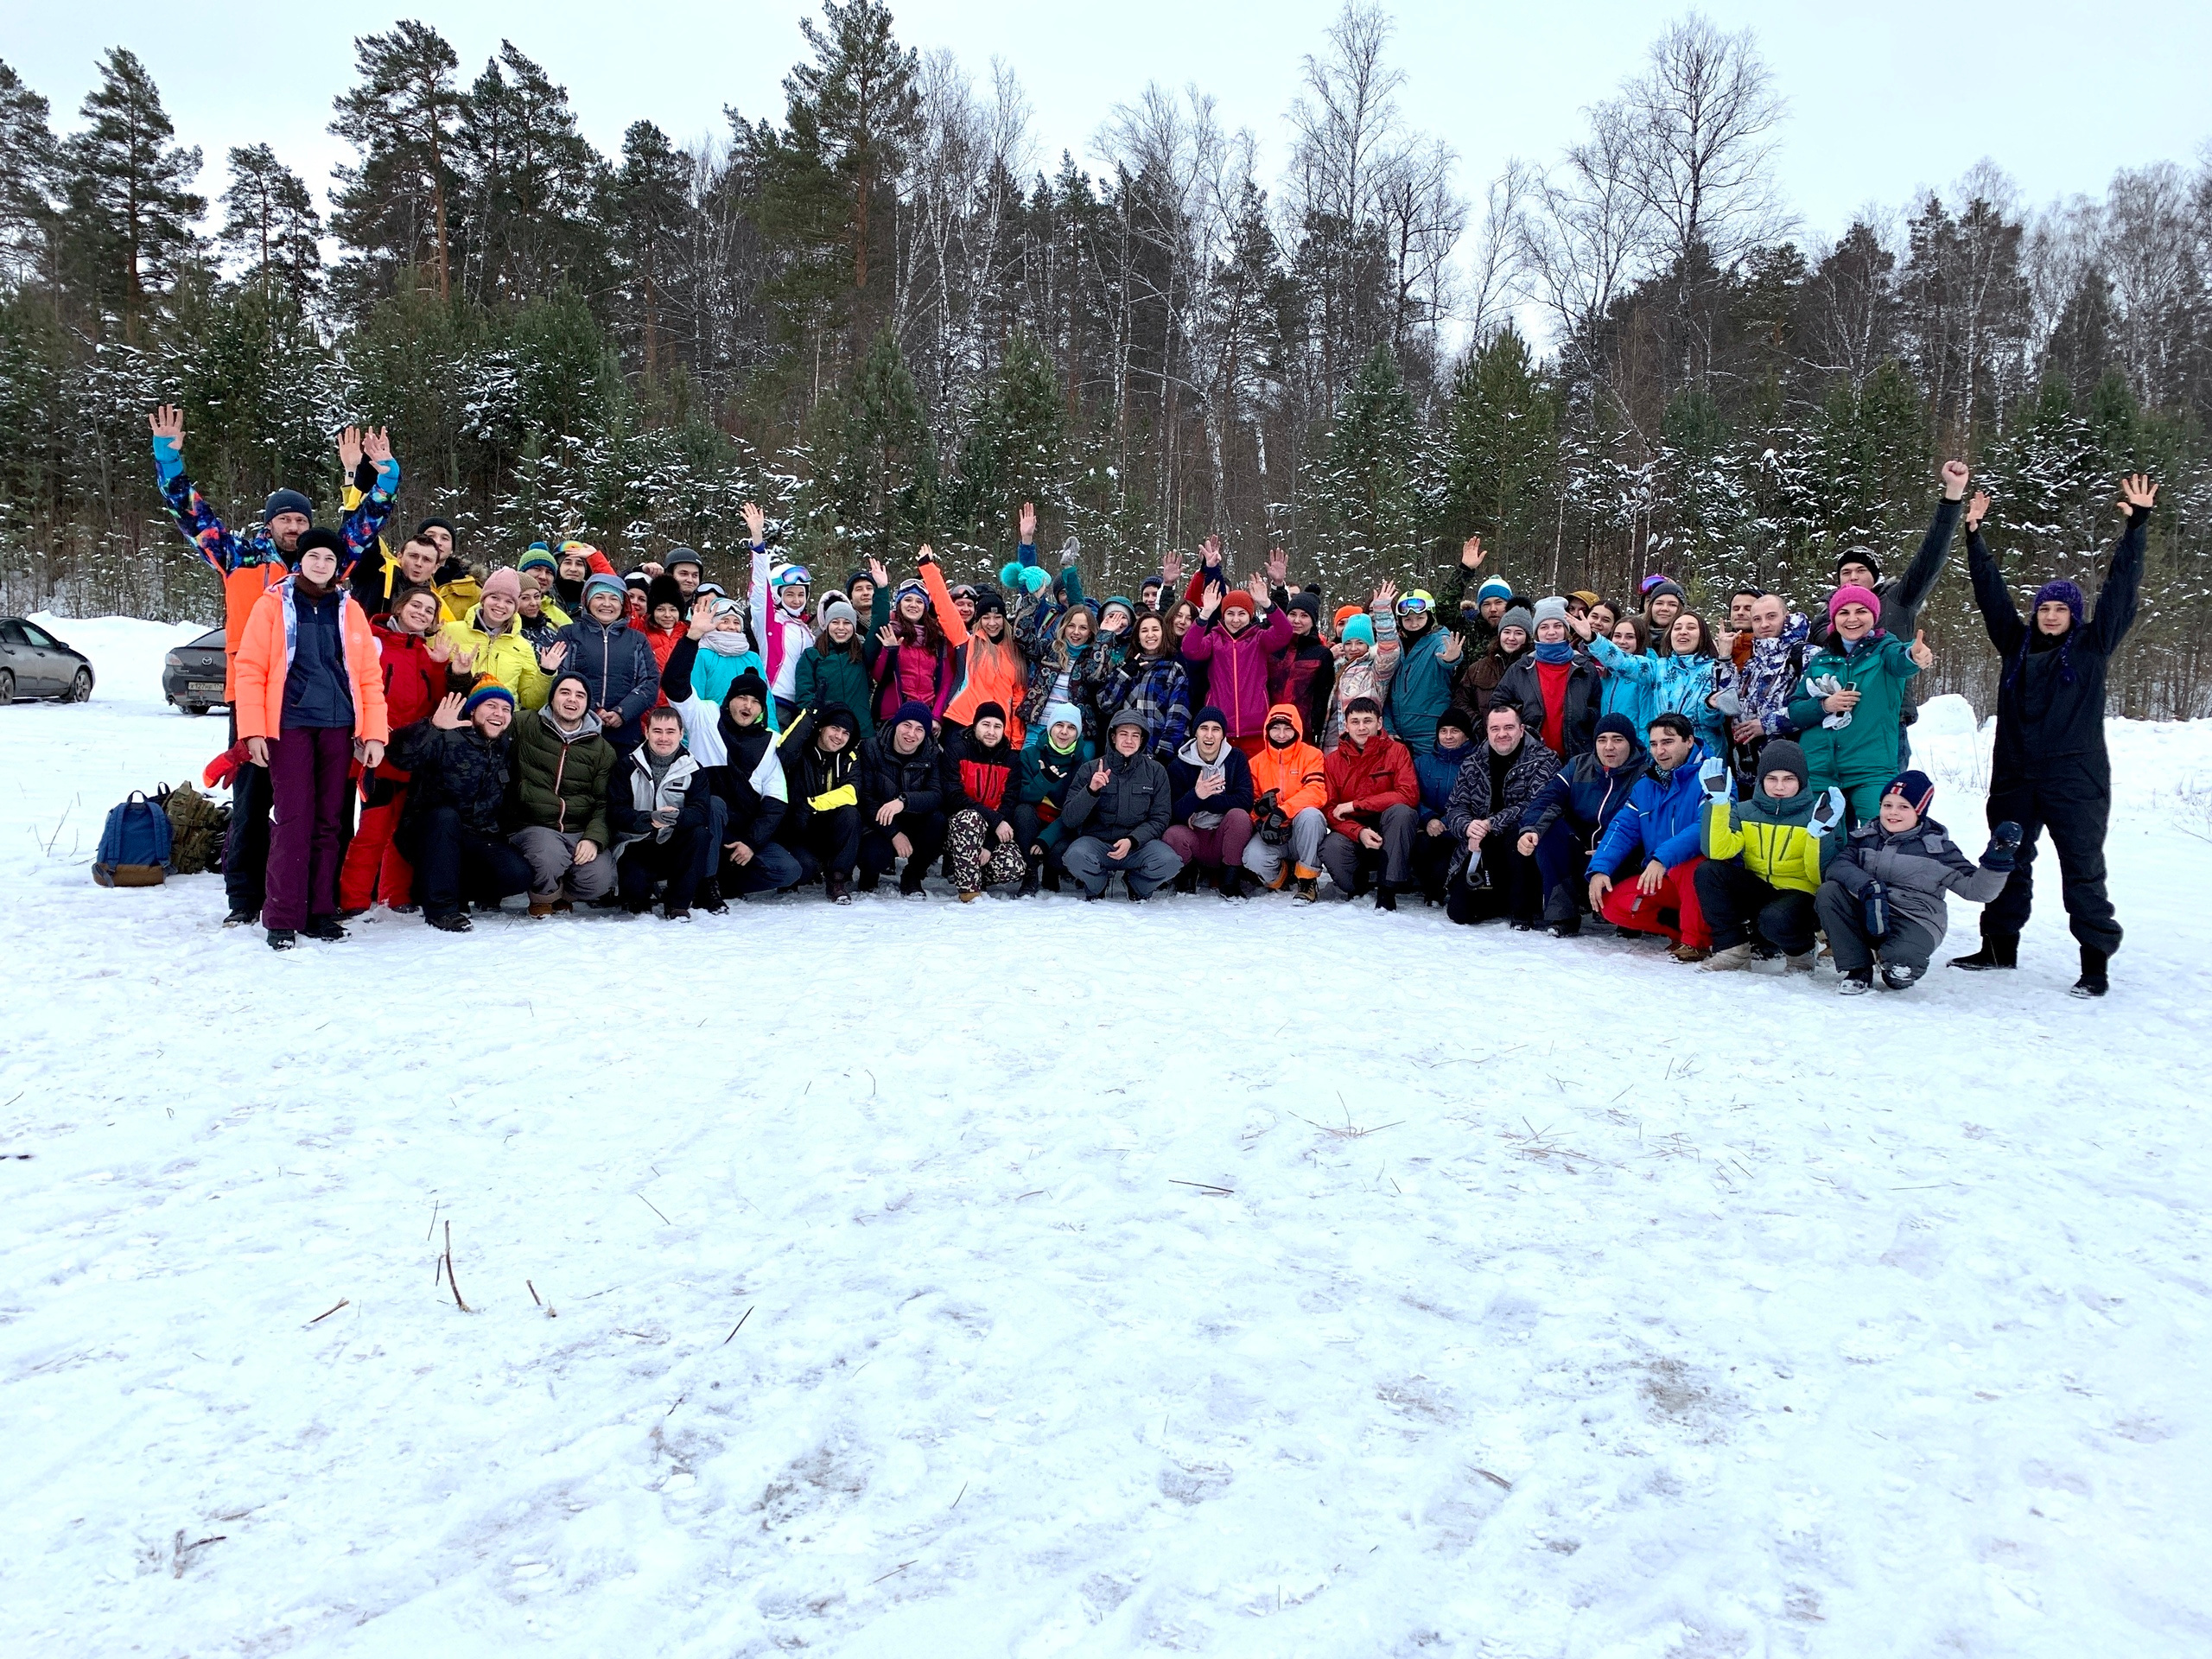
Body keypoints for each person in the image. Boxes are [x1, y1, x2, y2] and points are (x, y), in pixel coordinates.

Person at [149, 405, 399, 928]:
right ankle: (245, 899)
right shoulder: (238, 556)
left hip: (322, 707)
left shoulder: (326, 565)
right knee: (253, 799)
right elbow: (191, 515)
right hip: (255, 698)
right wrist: (170, 460)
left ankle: (317, 898)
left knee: (324, 808)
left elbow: (363, 527)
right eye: (285, 519)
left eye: (301, 519)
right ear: (270, 524)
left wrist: (383, 478)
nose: (294, 527)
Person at [1953, 475, 2154, 996]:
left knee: (2083, 869)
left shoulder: (2092, 647)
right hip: (2017, 774)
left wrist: (2136, 526)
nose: (2050, 615)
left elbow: (2121, 594)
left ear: (2075, 615)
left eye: (2060, 608)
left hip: (2075, 776)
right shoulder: (2016, 646)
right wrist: (1974, 536)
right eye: (2044, 607)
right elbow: (1990, 597)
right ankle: (1998, 948)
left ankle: (2094, 964)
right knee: (2006, 859)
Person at [232, 526, 391, 950]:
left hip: (338, 726)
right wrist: (252, 730)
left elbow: (368, 676)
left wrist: (373, 733)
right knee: (293, 820)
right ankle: (282, 914)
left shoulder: (349, 609)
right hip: (290, 724)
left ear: (339, 567)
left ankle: (320, 910)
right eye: (314, 557)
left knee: (329, 822)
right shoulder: (273, 606)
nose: (322, 565)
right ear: (300, 560)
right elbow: (250, 669)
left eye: (330, 560)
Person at [1821, 772, 2021, 995]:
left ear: (1920, 811)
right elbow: (1839, 866)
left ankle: (1897, 964)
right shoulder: (1865, 837)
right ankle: (1858, 970)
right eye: (1887, 805)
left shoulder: (1939, 849)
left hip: (1915, 919)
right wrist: (1868, 885)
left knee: (1899, 970)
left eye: (1903, 807)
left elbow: (1977, 891)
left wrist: (1996, 862)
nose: (1893, 812)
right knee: (1830, 891)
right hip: (1870, 909)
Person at [338, 583, 453, 916]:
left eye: (429, 611)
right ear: (400, 608)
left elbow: (437, 705)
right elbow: (355, 689)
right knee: (372, 829)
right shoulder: (371, 642)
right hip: (378, 751)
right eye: (416, 606)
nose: (422, 613)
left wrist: (440, 665)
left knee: (403, 829)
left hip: (414, 755)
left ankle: (395, 894)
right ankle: (353, 899)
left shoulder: (425, 653)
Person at [389, 685, 532, 932]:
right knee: (445, 817)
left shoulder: (503, 747)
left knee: (518, 875)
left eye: (506, 709)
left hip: (479, 835)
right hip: (433, 833)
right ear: (473, 710)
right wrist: (431, 727)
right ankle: (441, 909)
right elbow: (399, 755)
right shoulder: (446, 734)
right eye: (491, 706)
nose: (499, 713)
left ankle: (452, 891)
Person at [1786, 587, 1933, 825]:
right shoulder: (1820, 659)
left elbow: (1902, 661)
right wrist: (1825, 705)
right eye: (1844, 612)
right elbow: (1795, 711)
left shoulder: (1885, 650)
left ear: (1874, 616)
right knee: (1821, 843)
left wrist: (1914, 656)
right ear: (1834, 618)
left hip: (1870, 768)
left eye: (1861, 611)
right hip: (1819, 769)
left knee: (1878, 835)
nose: (1852, 619)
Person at [1693, 739, 1840, 972]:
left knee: (1776, 918)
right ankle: (1734, 950)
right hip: (1760, 888)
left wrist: (1819, 834)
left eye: (1788, 779)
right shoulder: (1744, 810)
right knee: (1708, 871)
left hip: (1800, 896)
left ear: (1801, 780)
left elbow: (1818, 876)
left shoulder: (1820, 814)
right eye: (1772, 778)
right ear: (1762, 780)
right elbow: (1717, 851)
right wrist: (1718, 804)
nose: (1779, 787)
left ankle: (1801, 951)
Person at [1586, 713, 1722, 961]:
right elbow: (1623, 828)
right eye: (1654, 744)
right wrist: (1600, 868)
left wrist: (1662, 858)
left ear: (1689, 741)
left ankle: (1697, 942)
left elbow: (1706, 826)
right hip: (1666, 877)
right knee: (1613, 902)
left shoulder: (1712, 775)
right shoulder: (1647, 784)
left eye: (1668, 742)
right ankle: (1682, 931)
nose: (1659, 751)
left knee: (1690, 866)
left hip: (1707, 879)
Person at [1518, 712, 1645, 936]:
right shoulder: (1579, 766)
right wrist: (1530, 830)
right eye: (1602, 740)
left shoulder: (1644, 775)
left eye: (1618, 739)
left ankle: (1629, 918)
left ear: (1631, 743)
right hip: (1581, 853)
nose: (1609, 747)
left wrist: (1610, 853)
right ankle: (1563, 916)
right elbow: (1548, 799)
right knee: (1548, 832)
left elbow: (1645, 826)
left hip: (1623, 858)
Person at [509, 669, 619, 916]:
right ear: (552, 697)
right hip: (533, 825)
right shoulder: (525, 724)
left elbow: (603, 803)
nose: (572, 700)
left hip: (577, 829)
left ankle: (562, 895)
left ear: (587, 704)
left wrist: (593, 838)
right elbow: (488, 726)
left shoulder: (603, 750)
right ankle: (543, 898)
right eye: (565, 692)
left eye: (580, 696)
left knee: (601, 877)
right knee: (548, 855)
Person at [1442, 702, 1555, 927]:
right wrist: (1468, 827)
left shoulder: (1544, 759)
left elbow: (1536, 804)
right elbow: (1455, 806)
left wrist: (1491, 823)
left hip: (1524, 844)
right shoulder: (1473, 763)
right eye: (1495, 729)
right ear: (1487, 731)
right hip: (1483, 846)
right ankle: (1502, 900)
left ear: (1521, 729)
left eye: (1509, 728)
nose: (1502, 734)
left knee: (1517, 837)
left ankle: (1522, 911)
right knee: (1459, 913)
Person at [1061, 708, 1182, 900]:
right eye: (1123, 734)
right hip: (1098, 844)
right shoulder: (1090, 769)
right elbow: (1069, 819)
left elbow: (1160, 818)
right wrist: (1091, 790)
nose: (1129, 740)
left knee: (1170, 862)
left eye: (1135, 735)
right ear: (1113, 737)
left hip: (1137, 846)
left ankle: (1136, 884)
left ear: (1142, 740)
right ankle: (1098, 884)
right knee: (1075, 856)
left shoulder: (1156, 771)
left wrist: (1133, 840)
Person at [610, 706, 711, 919]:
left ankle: (678, 904)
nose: (663, 738)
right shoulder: (627, 766)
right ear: (646, 732)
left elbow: (701, 811)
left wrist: (678, 817)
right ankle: (638, 897)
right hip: (636, 843)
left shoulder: (694, 769)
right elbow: (615, 811)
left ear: (681, 734)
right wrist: (648, 819)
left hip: (673, 843)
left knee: (700, 834)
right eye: (657, 731)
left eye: (670, 731)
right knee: (635, 893)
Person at [1319, 696, 1419, 907]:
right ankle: (1356, 886)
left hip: (1389, 827)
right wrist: (1358, 832)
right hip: (1353, 830)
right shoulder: (1333, 761)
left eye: (1368, 721)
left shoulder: (1397, 751)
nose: (1362, 727)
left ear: (1379, 723)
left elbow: (1408, 794)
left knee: (1402, 813)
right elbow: (1330, 809)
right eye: (1355, 722)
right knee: (1331, 847)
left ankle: (1387, 890)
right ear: (1346, 725)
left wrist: (1357, 804)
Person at [925, 549, 1030, 746]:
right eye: (986, 618)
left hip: (998, 732)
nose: (992, 623)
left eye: (997, 617)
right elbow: (946, 610)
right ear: (978, 620)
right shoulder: (968, 643)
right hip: (963, 722)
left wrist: (1016, 742)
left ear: (1004, 620)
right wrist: (929, 568)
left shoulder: (1015, 653)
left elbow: (1018, 701)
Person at [1180, 574, 1294, 754]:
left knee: (1253, 780)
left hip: (1255, 727)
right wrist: (1205, 614)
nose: (1235, 620)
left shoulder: (1259, 639)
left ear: (1250, 616)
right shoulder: (1214, 639)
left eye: (1242, 614)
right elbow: (1189, 649)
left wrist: (1266, 603)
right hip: (1221, 728)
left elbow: (1285, 632)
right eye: (1230, 614)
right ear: (1223, 615)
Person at [553, 573, 661, 749]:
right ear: (587, 601)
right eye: (599, 597)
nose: (606, 604)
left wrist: (622, 712)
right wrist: (594, 709)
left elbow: (650, 681)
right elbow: (561, 675)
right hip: (577, 729)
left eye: (614, 599)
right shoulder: (569, 634)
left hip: (625, 733)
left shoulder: (637, 640)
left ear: (622, 605)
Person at [1713, 593, 1809, 789]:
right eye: (1757, 619)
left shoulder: (1805, 654)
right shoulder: (1753, 662)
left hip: (1787, 770)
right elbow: (1728, 702)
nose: (1764, 624)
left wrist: (1766, 725)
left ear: (1786, 616)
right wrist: (1724, 656)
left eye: (1771, 616)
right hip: (1748, 769)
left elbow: (1814, 708)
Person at [1164, 706, 1257, 898]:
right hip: (1194, 836)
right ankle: (1188, 875)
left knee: (1239, 817)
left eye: (1216, 729)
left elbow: (1245, 800)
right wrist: (1196, 794)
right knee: (1172, 834)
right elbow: (1172, 812)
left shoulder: (1236, 758)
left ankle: (1230, 880)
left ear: (1223, 735)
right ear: (1195, 732)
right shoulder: (1179, 765)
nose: (1209, 735)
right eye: (1204, 728)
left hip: (1224, 837)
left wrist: (1204, 800)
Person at [858, 701, 950, 895]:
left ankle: (913, 875)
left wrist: (903, 801)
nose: (911, 734)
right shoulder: (870, 748)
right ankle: (870, 874)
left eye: (919, 729)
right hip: (879, 821)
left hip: (914, 818)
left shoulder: (933, 753)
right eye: (906, 725)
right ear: (895, 724)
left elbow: (936, 794)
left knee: (938, 821)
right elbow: (866, 798)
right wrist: (894, 833)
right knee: (873, 856)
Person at [1243, 703, 1332, 900]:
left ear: (1297, 729)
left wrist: (1282, 812)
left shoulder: (1312, 755)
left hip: (1301, 831)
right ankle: (1282, 876)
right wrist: (1260, 814)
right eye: (1275, 728)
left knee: (1312, 816)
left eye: (1287, 728)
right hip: (1274, 833)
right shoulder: (1255, 763)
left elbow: (1316, 791)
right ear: (1267, 730)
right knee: (1252, 857)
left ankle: (1307, 881)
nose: (1281, 734)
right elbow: (1250, 802)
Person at [777, 705, 863, 902]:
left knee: (851, 814)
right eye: (835, 728)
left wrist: (813, 804)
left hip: (829, 827)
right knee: (803, 870)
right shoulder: (801, 751)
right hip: (798, 828)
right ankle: (801, 871)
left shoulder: (850, 757)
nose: (839, 737)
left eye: (845, 733)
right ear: (822, 727)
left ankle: (837, 880)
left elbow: (851, 793)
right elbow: (784, 750)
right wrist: (809, 715)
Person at [1493, 599, 1599, 758]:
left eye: (1557, 626)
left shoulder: (1584, 668)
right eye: (1544, 627)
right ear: (1536, 632)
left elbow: (1599, 706)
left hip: (1577, 758)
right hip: (1530, 758)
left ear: (1566, 630)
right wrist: (1520, 714)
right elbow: (1498, 703)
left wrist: (1585, 714)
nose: (1551, 632)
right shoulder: (1521, 668)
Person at [944, 703, 1028, 900]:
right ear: (975, 726)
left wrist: (989, 845)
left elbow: (1009, 803)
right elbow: (954, 796)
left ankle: (966, 872)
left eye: (997, 726)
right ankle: (969, 892)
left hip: (991, 833)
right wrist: (995, 819)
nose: (991, 731)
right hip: (956, 829)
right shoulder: (957, 751)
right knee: (971, 818)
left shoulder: (1011, 760)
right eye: (986, 724)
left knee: (1013, 866)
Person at [440, 568, 553, 710]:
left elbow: (531, 702)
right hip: (459, 716)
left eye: (509, 601)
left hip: (502, 721)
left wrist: (546, 673)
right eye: (495, 598)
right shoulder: (451, 631)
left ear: (515, 607)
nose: (501, 605)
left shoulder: (522, 646)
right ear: (483, 599)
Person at [1013, 701, 1088, 895]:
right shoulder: (1030, 755)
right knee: (1023, 812)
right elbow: (1023, 796)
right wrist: (1044, 780)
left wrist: (1047, 839)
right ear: (1050, 727)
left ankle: (1051, 871)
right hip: (1033, 819)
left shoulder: (1083, 764)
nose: (1064, 732)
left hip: (1063, 825)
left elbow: (1076, 812)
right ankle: (1030, 874)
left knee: (1059, 855)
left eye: (1071, 727)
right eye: (1059, 725)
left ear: (1078, 733)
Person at [1099, 610, 1192, 765]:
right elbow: (1106, 704)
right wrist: (1125, 674)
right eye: (1144, 630)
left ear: (1163, 634)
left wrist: (1164, 751)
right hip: (1123, 754)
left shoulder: (1174, 670)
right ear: (1138, 637)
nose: (1150, 635)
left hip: (1157, 755)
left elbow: (1178, 715)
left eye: (1155, 629)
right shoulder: (1125, 667)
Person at [1384, 588, 1467, 757]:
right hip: (1397, 734)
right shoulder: (1395, 645)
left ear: (1430, 617)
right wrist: (1388, 726)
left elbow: (1445, 657)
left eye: (1420, 618)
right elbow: (1384, 689)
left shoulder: (1439, 639)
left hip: (1429, 733)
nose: (1414, 624)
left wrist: (1451, 658)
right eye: (1408, 619)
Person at [1322, 587, 1402, 750]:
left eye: (1360, 643)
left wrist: (1382, 612)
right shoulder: (1336, 667)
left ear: (1369, 644)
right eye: (1348, 643)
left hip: (1363, 742)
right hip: (1334, 744)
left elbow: (1389, 651)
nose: (1353, 648)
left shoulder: (1375, 669)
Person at [1411, 707, 1477, 905]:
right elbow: (1411, 795)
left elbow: (1479, 801)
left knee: (1443, 868)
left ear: (1466, 735)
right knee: (1421, 847)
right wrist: (1428, 818)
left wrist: (1448, 822)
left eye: (1455, 731)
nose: (1448, 736)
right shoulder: (1422, 763)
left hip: (1460, 834)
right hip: (1428, 830)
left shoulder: (1477, 764)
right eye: (1443, 731)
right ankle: (1428, 889)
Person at [795, 595, 877, 737]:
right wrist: (820, 719)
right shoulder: (812, 656)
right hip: (827, 734)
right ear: (827, 625)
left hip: (861, 732)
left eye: (847, 622)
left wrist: (881, 589)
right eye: (835, 622)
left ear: (854, 626)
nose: (841, 627)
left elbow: (879, 626)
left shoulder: (861, 653)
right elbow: (804, 696)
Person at [1269, 591, 1337, 742]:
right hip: (1269, 727)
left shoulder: (1322, 654)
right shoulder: (1274, 648)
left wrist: (1315, 729)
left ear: (1313, 621)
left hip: (1302, 731)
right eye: (1292, 614)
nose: (1297, 620)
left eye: (1304, 616)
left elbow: (1322, 697)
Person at [1589, 613, 1656, 737]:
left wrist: (1642, 752)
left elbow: (1647, 723)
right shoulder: (1608, 673)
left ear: (1641, 639)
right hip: (1609, 746)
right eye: (1617, 636)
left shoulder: (1647, 674)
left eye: (1630, 637)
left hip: (1635, 749)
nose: (1621, 641)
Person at [1458, 604, 1529, 718]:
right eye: (1506, 632)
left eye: (1518, 633)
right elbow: (1460, 702)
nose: (1511, 638)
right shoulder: (1478, 668)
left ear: (1527, 637)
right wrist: (1479, 725)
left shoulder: (1533, 667)